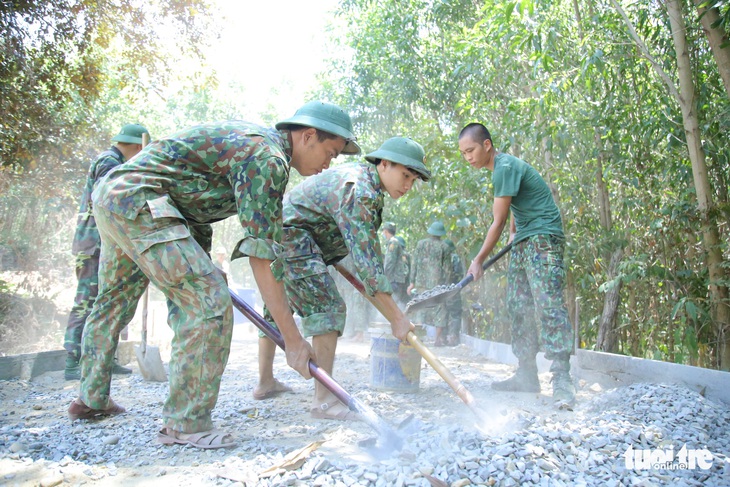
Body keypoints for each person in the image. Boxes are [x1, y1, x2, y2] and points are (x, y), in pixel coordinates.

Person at [67, 101, 360, 449]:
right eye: (330, 152)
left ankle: (91, 399)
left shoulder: (258, 146)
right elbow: (262, 258)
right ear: (308, 136)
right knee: (208, 303)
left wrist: (202, 263)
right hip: (141, 200)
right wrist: (293, 340)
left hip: (115, 196)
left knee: (114, 301)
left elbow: (193, 206)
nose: (329, 163)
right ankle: (186, 423)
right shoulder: (268, 159)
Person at [257, 137, 431, 420]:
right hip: (293, 235)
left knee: (277, 307)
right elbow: (369, 264)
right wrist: (397, 319)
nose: (408, 185)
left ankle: (265, 382)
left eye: (414, 180)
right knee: (328, 307)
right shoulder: (359, 190)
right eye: (406, 175)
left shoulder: (364, 184)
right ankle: (324, 401)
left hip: (291, 233)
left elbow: (351, 248)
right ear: (384, 164)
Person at [458, 122, 575, 405]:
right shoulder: (503, 170)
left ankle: (562, 379)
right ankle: (526, 374)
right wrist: (515, 232)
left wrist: (478, 261)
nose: (468, 157)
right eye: (463, 153)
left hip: (543, 236)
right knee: (518, 304)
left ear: (487, 145)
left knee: (548, 303)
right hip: (524, 238)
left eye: (471, 150)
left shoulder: (504, 167)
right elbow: (512, 208)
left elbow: (497, 220)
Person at [63, 124, 149, 380]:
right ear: (136, 147)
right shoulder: (108, 162)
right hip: (94, 245)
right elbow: (111, 198)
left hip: (105, 243)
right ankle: (72, 361)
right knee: (87, 302)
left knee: (106, 302)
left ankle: (105, 358)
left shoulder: (112, 161)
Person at [407, 221, 450, 346]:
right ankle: (437, 339)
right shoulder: (444, 247)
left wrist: (412, 282)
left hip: (421, 283)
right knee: (440, 309)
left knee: (420, 307)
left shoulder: (420, 244)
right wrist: (446, 285)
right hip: (437, 284)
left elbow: (414, 263)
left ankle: (417, 338)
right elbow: (447, 269)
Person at [382, 222, 409, 306]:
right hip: (396, 279)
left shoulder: (393, 242)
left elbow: (390, 262)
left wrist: (384, 277)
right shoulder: (395, 242)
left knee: (392, 304)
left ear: (386, 231)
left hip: (394, 279)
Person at [443, 238, 464, 346]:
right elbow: (459, 274)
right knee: (455, 313)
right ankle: (453, 337)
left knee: (443, 313)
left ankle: (443, 337)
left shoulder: (441, 257)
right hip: (453, 289)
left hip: (441, 290)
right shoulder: (455, 258)